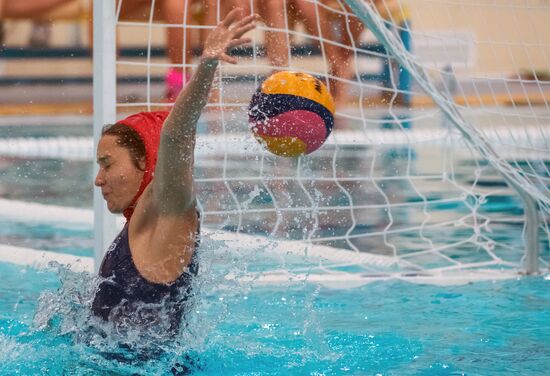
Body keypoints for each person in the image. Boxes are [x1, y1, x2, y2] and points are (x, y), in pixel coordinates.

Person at [92, 9, 259, 335]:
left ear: (147, 162)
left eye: (108, 164)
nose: (98, 179)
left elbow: (176, 135)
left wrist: (207, 64)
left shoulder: (169, 212)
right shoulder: (140, 228)